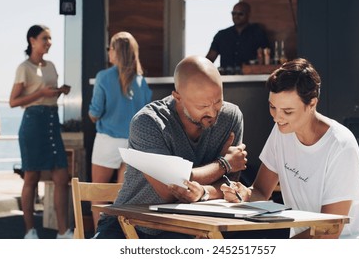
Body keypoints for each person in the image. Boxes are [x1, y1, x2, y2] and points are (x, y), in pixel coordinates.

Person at [221, 58, 359, 239]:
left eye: (288, 111)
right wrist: (245, 194)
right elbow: (261, 191)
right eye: (273, 107)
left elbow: (329, 231)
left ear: (312, 103)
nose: (277, 117)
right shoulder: (281, 131)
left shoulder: (341, 145)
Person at [94, 55, 247, 239]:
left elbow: (229, 186)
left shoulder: (231, 117)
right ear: (178, 98)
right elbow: (170, 188)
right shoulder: (148, 122)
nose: (213, 112)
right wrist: (225, 163)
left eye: (218, 102)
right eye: (203, 106)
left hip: (186, 227)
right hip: (128, 224)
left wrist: (203, 193)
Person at [9, 25, 73, 239]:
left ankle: (63, 232)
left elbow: (49, 97)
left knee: (62, 177)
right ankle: (30, 230)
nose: (49, 42)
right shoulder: (24, 67)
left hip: (52, 122)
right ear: (32, 40)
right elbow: (13, 102)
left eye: (51, 38)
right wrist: (40, 93)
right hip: (33, 125)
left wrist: (59, 92)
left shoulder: (51, 66)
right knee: (31, 177)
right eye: (45, 38)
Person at [88, 31, 152, 228]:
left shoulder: (104, 77)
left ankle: (101, 241)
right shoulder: (142, 82)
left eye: (110, 48)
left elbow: (95, 112)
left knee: (98, 197)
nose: (109, 51)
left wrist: (94, 116)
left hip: (107, 142)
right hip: (132, 146)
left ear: (116, 51)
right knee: (123, 201)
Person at [205, 1, 269, 74]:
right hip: (226, 79)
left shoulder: (257, 33)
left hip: (250, 77)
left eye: (240, 14)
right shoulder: (221, 35)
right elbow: (209, 59)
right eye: (233, 13)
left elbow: (267, 56)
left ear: (248, 14)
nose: (236, 16)